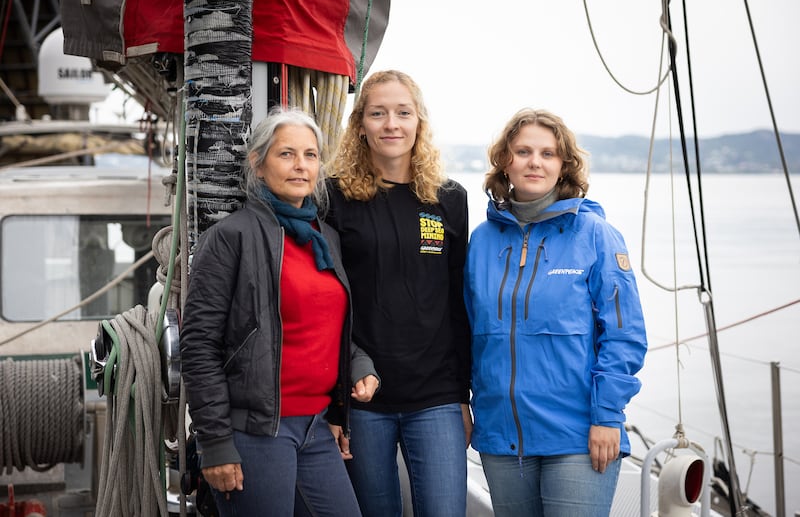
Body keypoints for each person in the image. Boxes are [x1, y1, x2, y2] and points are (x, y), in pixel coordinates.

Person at [180, 107, 380, 517]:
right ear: (258, 162)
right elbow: (199, 346)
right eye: (286, 154)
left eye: (310, 155)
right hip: (254, 432)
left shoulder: (325, 239)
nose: (300, 166)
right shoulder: (230, 237)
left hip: (316, 425)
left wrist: (358, 365)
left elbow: (329, 324)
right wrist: (215, 443)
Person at [463, 108, 648, 517]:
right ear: (505, 162)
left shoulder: (595, 234)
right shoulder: (481, 240)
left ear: (563, 165)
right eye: (524, 151)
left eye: (548, 153)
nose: (535, 161)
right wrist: (462, 401)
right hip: (502, 436)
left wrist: (607, 416)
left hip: (579, 435)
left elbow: (624, 334)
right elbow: (463, 331)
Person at [325, 70, 472, 517]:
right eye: (378, 113)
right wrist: (336, 404)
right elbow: (326, 305)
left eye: (403, 112)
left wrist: (465, 396)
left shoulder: (449, 198)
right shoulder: (333, 197)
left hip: (437, 396)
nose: (392, 123)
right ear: (360, 125)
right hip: (363, 397)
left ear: (419, 122)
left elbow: (458, 302)